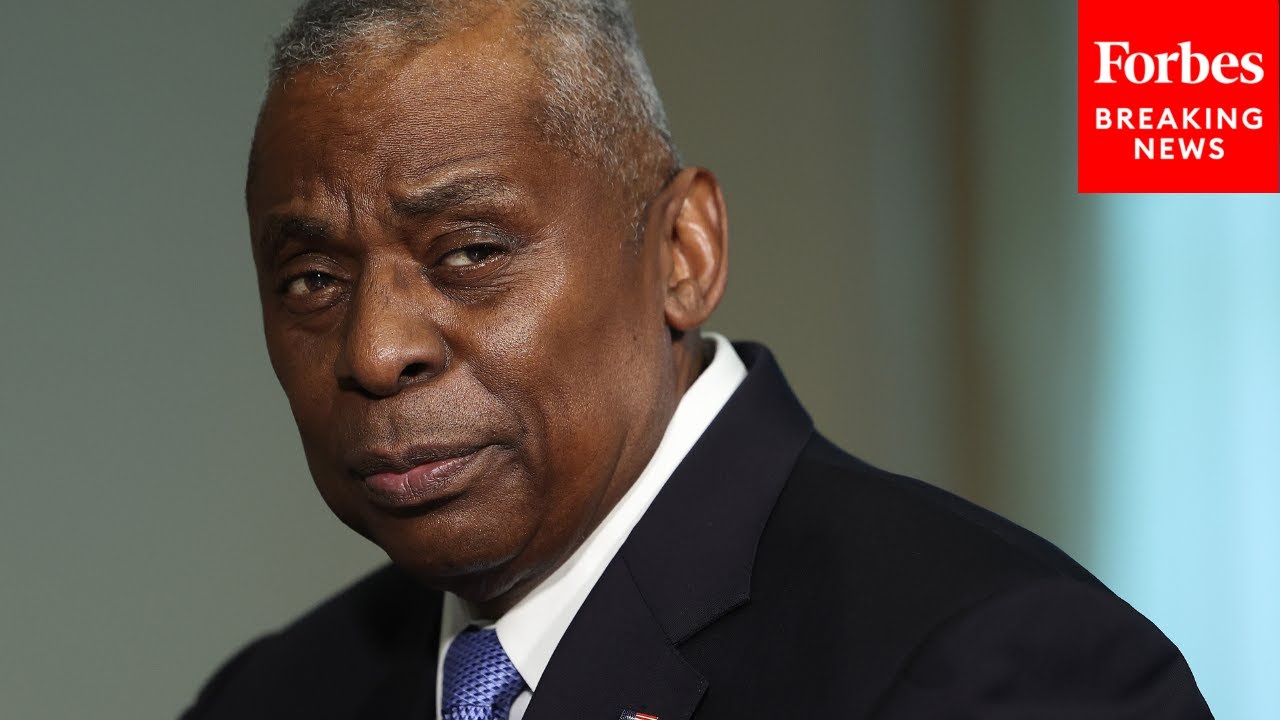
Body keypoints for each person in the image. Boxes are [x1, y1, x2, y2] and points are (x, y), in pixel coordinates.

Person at [183, 1, 1213, 718]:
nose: (375, 351)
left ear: (683, 252)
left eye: (470, 253)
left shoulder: (1001, 667)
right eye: (311, 279)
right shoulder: (268, 699)